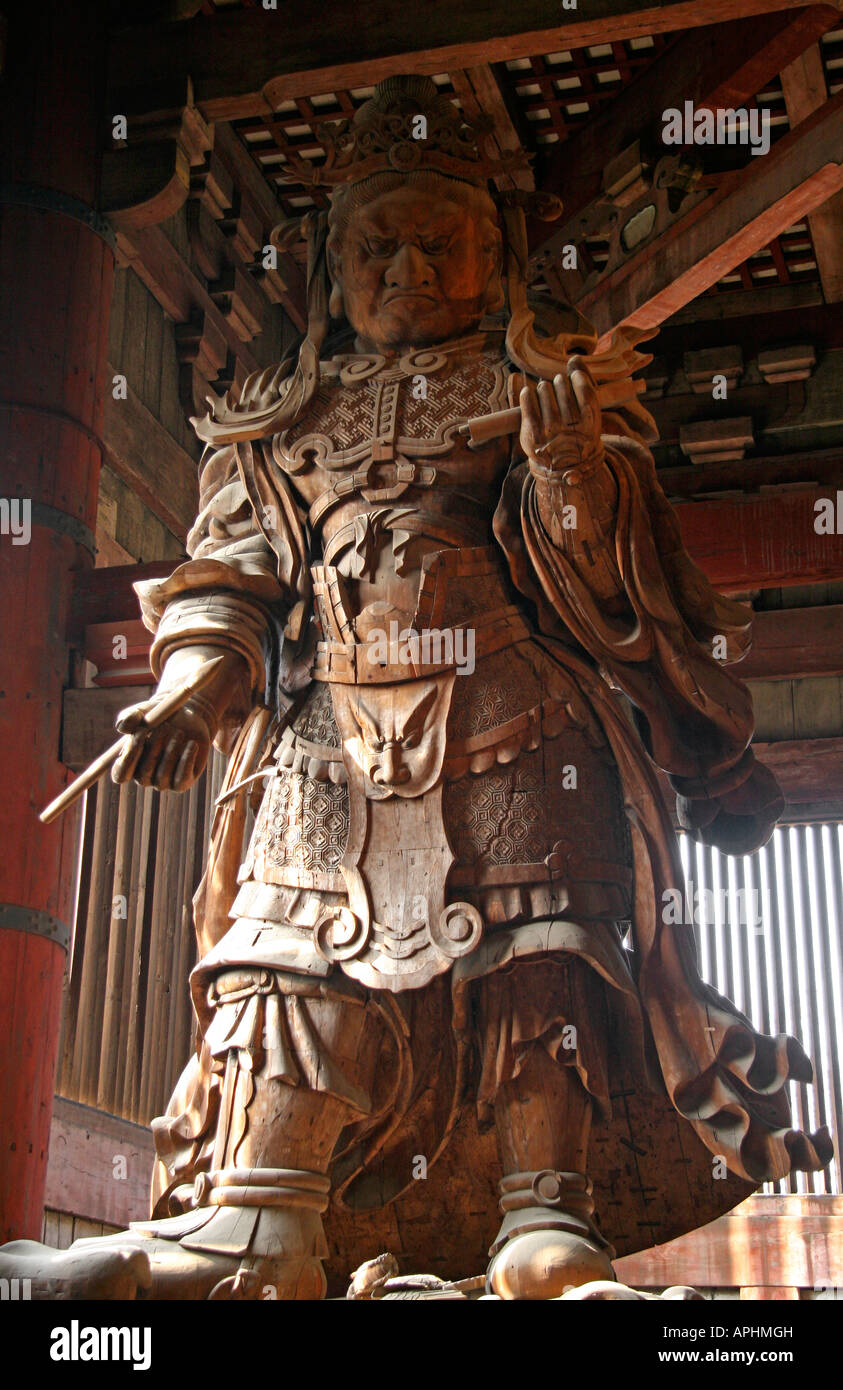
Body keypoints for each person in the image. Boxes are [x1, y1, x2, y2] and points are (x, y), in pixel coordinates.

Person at [3, 75, 830, 1300]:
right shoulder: (279, 418)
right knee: (279, 955)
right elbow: (230, 571)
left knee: (538, 948)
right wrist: (189, 685)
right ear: (332, 266)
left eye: (439, 240)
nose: (407, 266)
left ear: (491, 257)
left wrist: (565, 473)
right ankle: (258, 1216)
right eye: (377, 243)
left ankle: (544, 1210)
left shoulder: (541, 383)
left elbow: (614, 573)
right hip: (321, 734)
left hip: (515, 720)